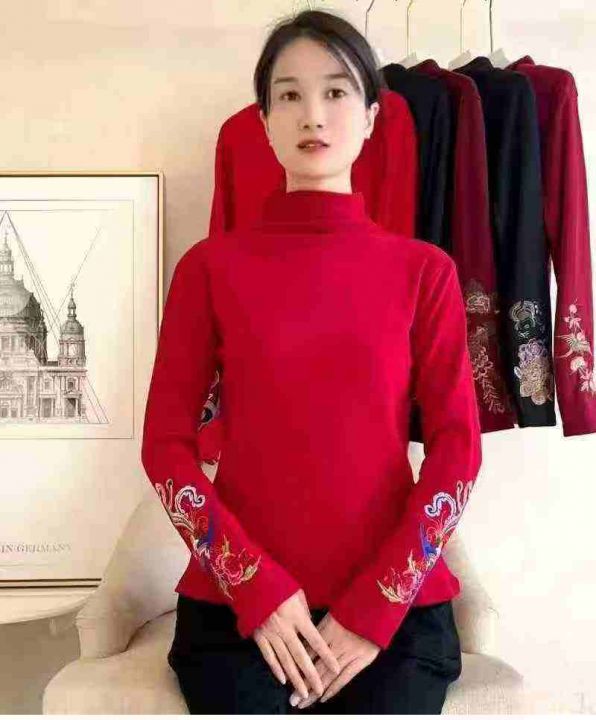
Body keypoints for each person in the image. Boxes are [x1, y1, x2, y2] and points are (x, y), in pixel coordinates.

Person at [141, 8, 482, 714]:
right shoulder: (209, 270)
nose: (313, 115)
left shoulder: (425, 272)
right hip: (238, 611)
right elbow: (165, 448)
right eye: (289, 95)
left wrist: (373, 608)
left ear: (371, 117)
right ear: (264, 121)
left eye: (335, 91)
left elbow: (457, 451)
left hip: (393, 613)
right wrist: (256, 589)